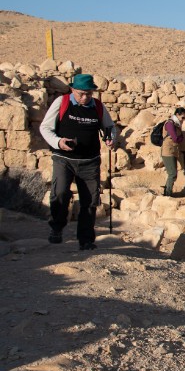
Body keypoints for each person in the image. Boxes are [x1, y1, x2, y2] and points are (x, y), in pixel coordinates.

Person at [40, 74, 116, 250]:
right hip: (63, 159)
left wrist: (111, 138)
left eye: (89, 93)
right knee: (59, 193)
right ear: (73, 90)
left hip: (90, 161)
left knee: (90, 201)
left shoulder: (97, 106)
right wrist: (58, 142)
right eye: (81, 93)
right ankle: (57, 228)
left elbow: (109, 127)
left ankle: (86, 240)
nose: (85, 97)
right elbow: (45, 127)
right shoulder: (62, 102)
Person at [161, 107, 185, 197]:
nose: (183, 120)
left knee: (173, 173)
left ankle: (167, 192)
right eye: (183, 117)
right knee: (172, 174)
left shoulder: (176, 124)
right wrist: (181, 138)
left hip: (173, 151)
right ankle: (167, 194)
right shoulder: (169, 123)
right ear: (177, 115)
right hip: (168, 151)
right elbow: (176, 138)